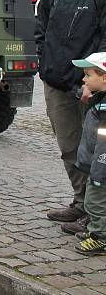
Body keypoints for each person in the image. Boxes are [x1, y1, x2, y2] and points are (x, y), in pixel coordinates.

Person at [36, 0, 106, 233]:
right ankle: (81, 203)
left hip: (88, 87)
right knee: (69, 147)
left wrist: (94, 80)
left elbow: (104, 39)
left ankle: (95, 213)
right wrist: (44, 66)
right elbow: (40, 34)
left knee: (95, 151)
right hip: (56, 84)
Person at [67, 53, 106, 255]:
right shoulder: (99, 101)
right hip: (97, 165)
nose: (83, 80)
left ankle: (100, 239)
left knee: (96, 203)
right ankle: (95, 231)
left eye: (88, 75)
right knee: (94, 202)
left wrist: (98, 171)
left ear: (104, 77)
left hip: (101, 168)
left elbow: (104, 146)